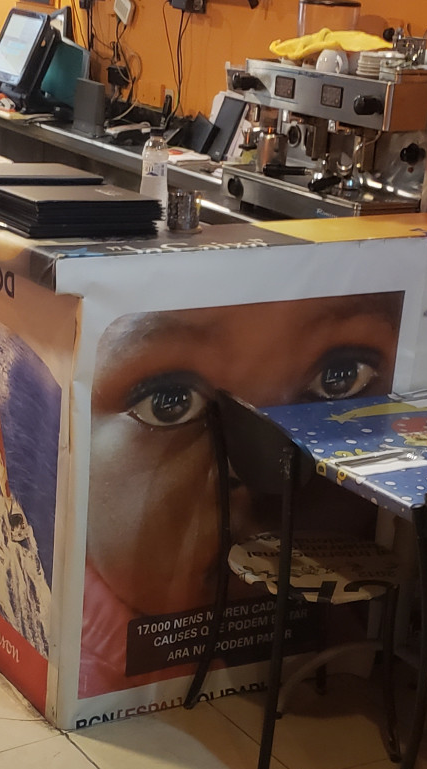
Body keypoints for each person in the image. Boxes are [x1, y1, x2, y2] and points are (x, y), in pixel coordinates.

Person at [80, 292, 403, 698]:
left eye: (339, 378)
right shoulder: (88, 676)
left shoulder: (350, 627)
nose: (256, 469)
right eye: (170, 402)